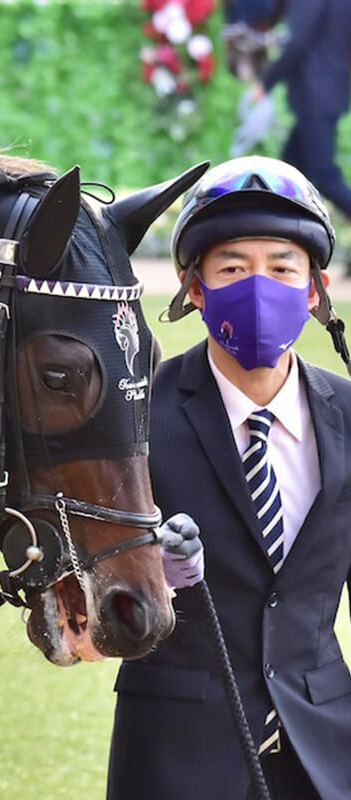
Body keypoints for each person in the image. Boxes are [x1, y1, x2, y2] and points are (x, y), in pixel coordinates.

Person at [107, 156, 351, 800]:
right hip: (176, 751)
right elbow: (89, 602)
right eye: (233, 268)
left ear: (315, 287)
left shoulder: (350, 415)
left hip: (325, 749)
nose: (259, 285)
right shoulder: (136, 416)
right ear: (195, 288)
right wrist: (155, 574)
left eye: (281, 267)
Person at [251, 0, 351, 227]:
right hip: (327, 91)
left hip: (316, 94)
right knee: (288, 176)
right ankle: (277, 236)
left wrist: (266, 82)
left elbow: (297, 42)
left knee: (324, 176)